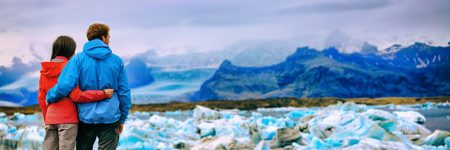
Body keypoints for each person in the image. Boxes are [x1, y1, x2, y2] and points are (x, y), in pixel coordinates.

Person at [46, 23, 131, 150]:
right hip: (110, 117)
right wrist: (122, 119)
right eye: (108, 37)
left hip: (85, 118)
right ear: (103, 38)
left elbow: (65, 85)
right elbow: (124, 93)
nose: (109, 40)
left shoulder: (77, 60)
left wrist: (50, 96)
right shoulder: (117, 61)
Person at [38, 36, 114, 150]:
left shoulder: (45, 71)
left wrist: (47, 119)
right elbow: (76, 95)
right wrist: (102, 94)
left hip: (50, 119)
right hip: (68, 120)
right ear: (71, 51)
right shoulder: (71, 68)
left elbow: (42, 98)